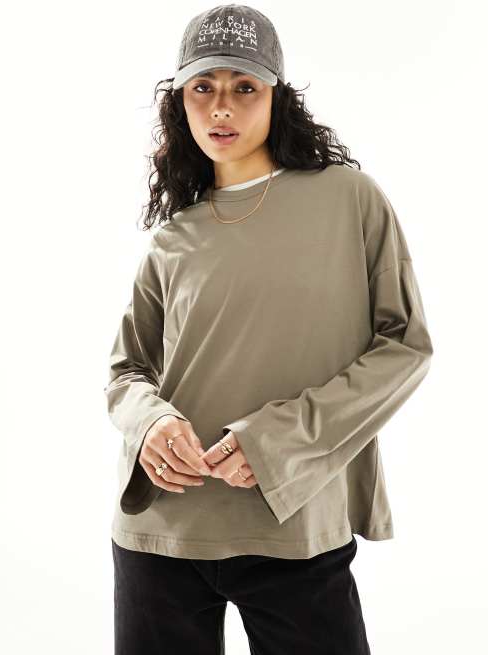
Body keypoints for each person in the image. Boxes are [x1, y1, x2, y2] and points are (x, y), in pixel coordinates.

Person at [104, 4, 434, 654]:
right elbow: (125, 371)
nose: (221, 107)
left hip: (296, 519)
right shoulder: (173, 237)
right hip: (160, 531)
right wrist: (151, 423)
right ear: (180, 103)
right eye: (203, 87)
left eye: (244, 86)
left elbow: (405, 345)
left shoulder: (350, 200)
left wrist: (277, 440)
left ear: (277, 97)